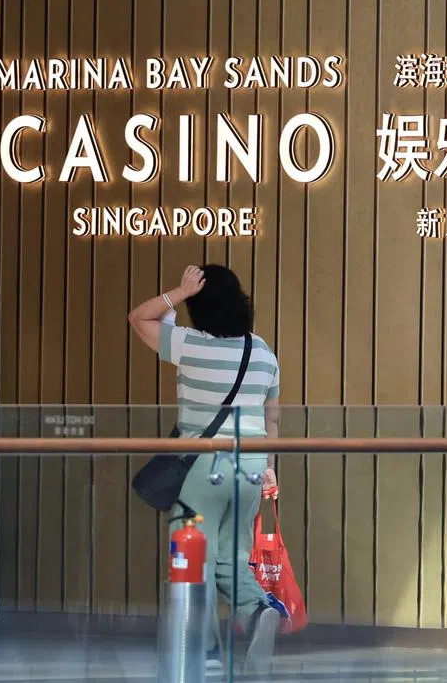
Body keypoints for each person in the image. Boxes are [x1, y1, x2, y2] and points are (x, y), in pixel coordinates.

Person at [128, 264, 282, 672]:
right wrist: (270, 468)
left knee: (195, 555)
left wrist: (179, 292)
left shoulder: (190, 344)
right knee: (232, 554)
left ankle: (207, 650)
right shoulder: (263, 351)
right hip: (252, 463)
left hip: (203, 464)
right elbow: (272, 418)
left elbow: (138, 318)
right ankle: (257, 609)